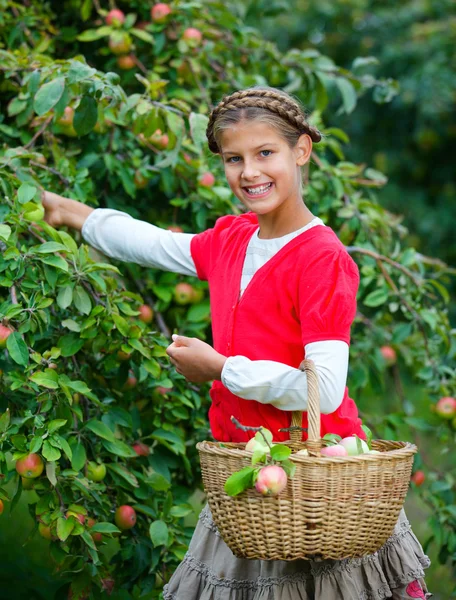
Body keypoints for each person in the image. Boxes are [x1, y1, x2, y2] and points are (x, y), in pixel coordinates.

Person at [42, 87, 431, 599]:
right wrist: (74, 214)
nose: (249, 172)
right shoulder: (234, 238)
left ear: (302, 151)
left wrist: (222, 368)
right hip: (246, 474)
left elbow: (327, 390)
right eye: (234, 158)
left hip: (314, 483)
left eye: (264, 153)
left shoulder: (321, 258)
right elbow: (157, 243)